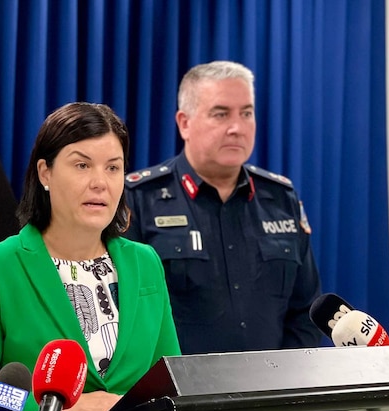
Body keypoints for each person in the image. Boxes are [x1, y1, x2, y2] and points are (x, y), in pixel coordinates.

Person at [0, 102, 181, 411]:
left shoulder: (143, 263)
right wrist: (63, 410)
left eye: (113, 167)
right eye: (82, 165)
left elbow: (170, 387)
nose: (100, 181)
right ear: (45, 173)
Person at [124, 60, 325, 354]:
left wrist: (283, 384)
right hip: (177, 393)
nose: (237, 128)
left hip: (271, 390)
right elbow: (127, 318)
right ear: (184, 123)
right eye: (220, 114)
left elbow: (306, 311)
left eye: (247, 113)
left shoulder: (281, 198)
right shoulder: (139, 198)